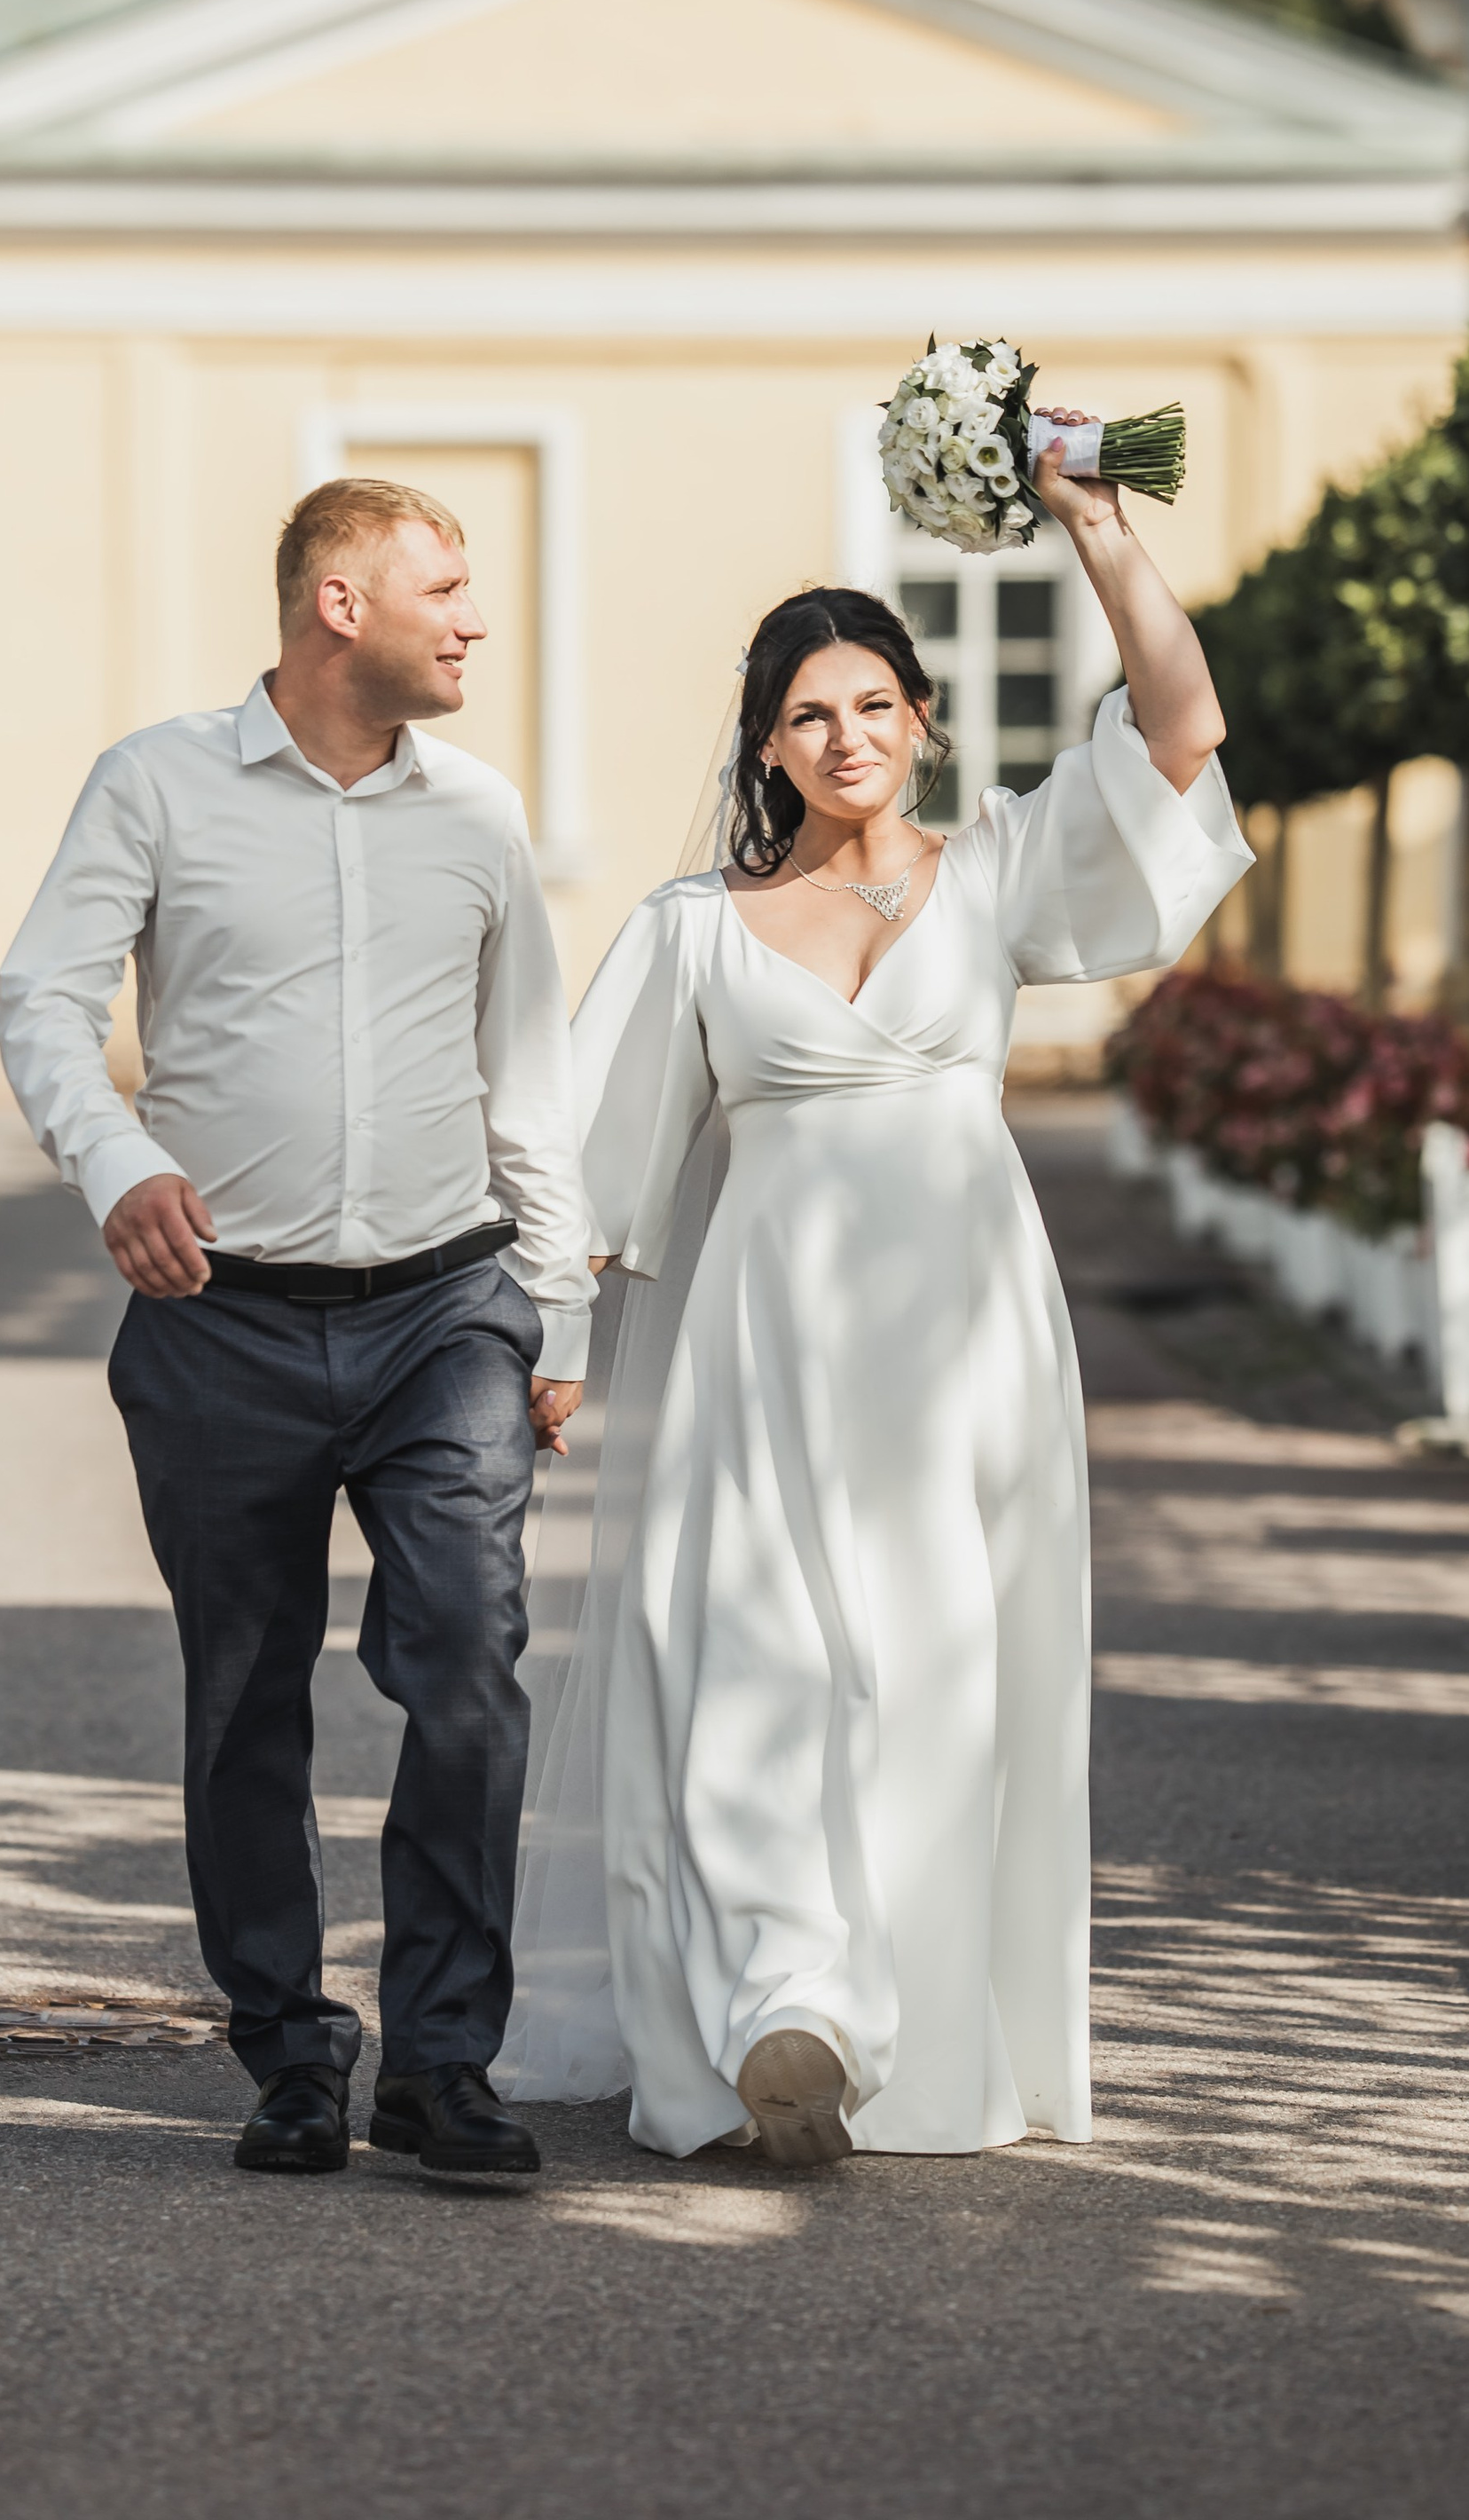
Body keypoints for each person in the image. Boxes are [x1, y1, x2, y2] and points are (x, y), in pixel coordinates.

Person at [501, 421, 1248, 2166]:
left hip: (965, 1339)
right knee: (745, 1648)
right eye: (803, 713)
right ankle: (788, 2007)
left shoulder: (993, 873)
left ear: (921, 716)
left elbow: (1179, 733)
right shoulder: (692, 929)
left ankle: (894, 2024)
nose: (843, 737)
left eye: (870, 703)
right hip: (763, 1338)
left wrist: (1094, 525)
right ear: (766, 746)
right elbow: (575, 1164)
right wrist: (544, 1347)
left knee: (932, 1668)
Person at [0, 476, 593, 2185]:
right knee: (243, 1694)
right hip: (218, 1322)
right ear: (341, 604)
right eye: (449, 587)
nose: (476, 617)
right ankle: (286, 2044)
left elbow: (527, 1071)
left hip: (441, 1313)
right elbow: (43, 993)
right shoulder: (156, 783)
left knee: (468, 1665)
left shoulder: (479, 814)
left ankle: (445, 2058)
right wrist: (118, 1161)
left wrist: (550, 1313)